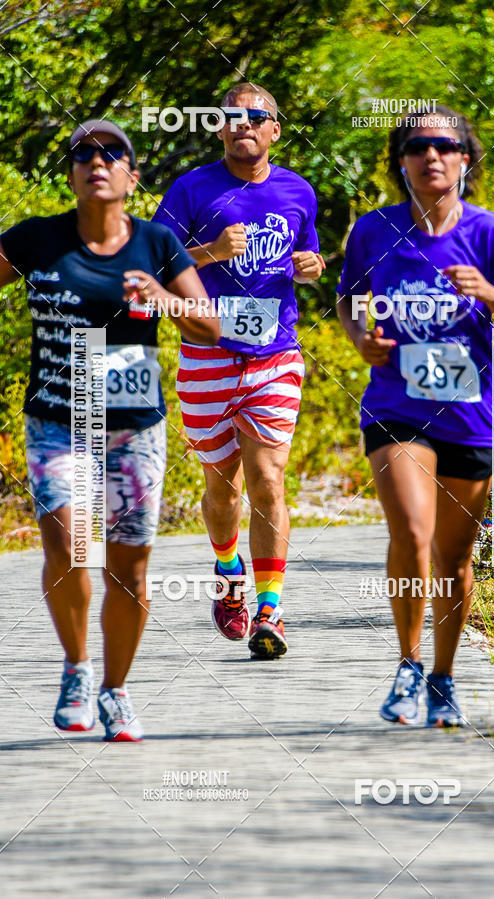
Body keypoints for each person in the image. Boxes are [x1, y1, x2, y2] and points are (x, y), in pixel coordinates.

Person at [0, 120, 219, 740]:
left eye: (112, 153)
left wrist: (163, 297)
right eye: (83, 154)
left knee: (129, 567)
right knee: (71, 546)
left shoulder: (156, 243)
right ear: (70, 175)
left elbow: (208, 327)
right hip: (58, 420)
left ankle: (115, 691)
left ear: (132, 174)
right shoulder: (37, 240)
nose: (97, 161)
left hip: (132, 429)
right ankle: (75, 667)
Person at [337, 106, 494, 726]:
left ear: (464, 159)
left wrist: (489, 293)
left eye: (445, 145)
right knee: (412, 531)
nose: (432, 155)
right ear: (401, 161)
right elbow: (351, 300)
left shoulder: (489, 235)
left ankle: (443, 677)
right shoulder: (375, 231)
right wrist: (359, 338)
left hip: (471, 416)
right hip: (397, 407)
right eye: (418, 145)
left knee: (454, 562)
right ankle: (405, 666)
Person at [154, 83, 324, 659]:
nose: (244, 124)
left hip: (275, 354)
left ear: (276, 129)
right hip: (207, 355)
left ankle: (270, 611)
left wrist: (311, 266)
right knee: (221, 486)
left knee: (268, 479)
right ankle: (229, 574)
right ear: (219, 128)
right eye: (233, 117)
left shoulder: (299, 191)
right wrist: (207, 252)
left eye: (257, 117)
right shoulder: (191, 188)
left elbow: (307, 260)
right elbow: (151, 264)